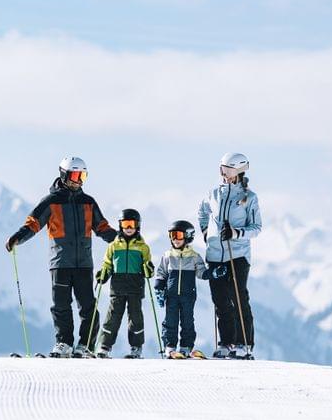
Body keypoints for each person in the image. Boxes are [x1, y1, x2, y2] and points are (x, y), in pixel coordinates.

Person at [5, 156, 117, 358]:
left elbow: (102, 227)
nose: (79, 180)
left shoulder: (88, 202)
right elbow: (33, 224)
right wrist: (17, 238)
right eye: (75, 175)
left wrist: (120, 241)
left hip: (83, 263)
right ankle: (64, 343)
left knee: (88, 306)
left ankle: (85, 345)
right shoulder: (51, 202)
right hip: (60, 263)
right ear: (64, 175)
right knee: (61, 305)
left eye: (83, 175)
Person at [198, 152, 262, 359]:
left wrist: (236, 233)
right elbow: (202, 211)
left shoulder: (248, 198)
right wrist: (207, 233)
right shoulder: (214, 193)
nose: (224, 174)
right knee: (221, 300)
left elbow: (257, 228)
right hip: (215, 254)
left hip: (238, 254)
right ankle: (226, 342)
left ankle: (245, 344)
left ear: (240, 171)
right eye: (222, 169)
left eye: (228, 170)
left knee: (238, 297)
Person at [153, 220, 225, 359]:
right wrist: (159, 288)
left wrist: (213, 273)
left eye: (178, 235)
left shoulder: (194, 256)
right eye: (172, 235)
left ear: (187, 236)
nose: (175, 239)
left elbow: (201, 273)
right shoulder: (168, 256)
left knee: (187, 322)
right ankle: (170, 347)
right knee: (170, 321)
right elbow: (161, 273)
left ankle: (186, 347)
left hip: (188, 295)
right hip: (171, 295)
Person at [94, 209, 153, 359]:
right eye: (125, 224)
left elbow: (148, 266)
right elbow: (108, 264)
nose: (128, 228)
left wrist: (148, 269)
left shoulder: (143, 247)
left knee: (135, 317)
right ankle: (104, 346)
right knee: (113, 316)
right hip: (118, 286)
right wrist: (103, 274)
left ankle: (136, 347)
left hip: (135, 286)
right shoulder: (114, 246)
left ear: (137, 226)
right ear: (120, 226)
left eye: (131, 224)